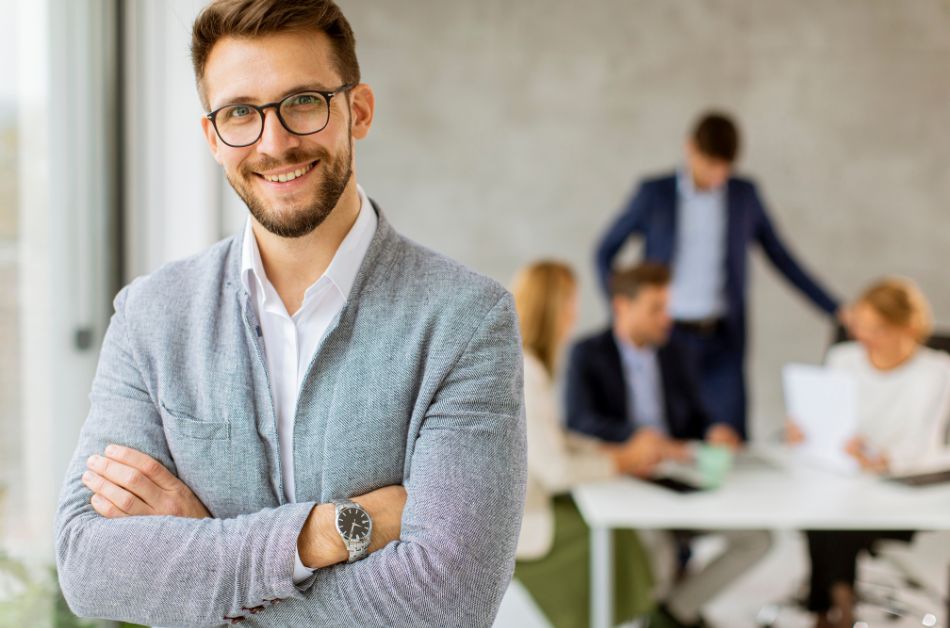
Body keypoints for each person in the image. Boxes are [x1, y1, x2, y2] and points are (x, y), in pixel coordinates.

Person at [54, 2, 526, 626]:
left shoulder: (466, 321)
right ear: (212, 137)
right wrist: (322, 534)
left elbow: (445, 602)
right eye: (240, 113)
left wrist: (203, 550)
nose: (275, 144)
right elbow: (89, 568)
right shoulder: (151, 316)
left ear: (357, 111)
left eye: (303, 101)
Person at [596, 111, 842, 441]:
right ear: (690, 149)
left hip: (723, 339)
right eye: (709, 163)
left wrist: (835, 310)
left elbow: (782, 258)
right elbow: (605, 250)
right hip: (668, 337)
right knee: (675, 436)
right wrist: (624, 310)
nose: (716, 175)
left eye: (724, 167)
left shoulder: (744, 195)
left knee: (729, 436)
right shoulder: (654, 193)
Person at [566, 263, 771, 628]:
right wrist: (637, 437)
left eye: (668, 307)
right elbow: (579, 421)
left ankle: (673, 614)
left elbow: (697, 415)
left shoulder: (677, 353)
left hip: (681, 474)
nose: (667, 318)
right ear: (622, 306)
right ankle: (667, 612)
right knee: (654, 554)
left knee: (758, 539)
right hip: (626, 478)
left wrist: (714, 431)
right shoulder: (587, 353)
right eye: (655, 308)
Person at [787, 277, 950, 628]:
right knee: (827, 512)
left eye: (874, 329)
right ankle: (835, 602)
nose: (862, 337)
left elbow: (924, 447)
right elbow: (827, 422)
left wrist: (881, 459)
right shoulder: (843, 358)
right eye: (858, 327)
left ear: (907, 328)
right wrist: (805, 431)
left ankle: (831, 608)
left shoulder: (936, 371)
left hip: (901, 488)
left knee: (834, 520)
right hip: (844, 481)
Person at [511, 260, 656, 628]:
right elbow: (556, 470)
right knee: (614, 535)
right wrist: (622, 462)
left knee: (615, 530)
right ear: (553, 309)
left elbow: (553, 439)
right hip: (525, 523)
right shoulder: (527, 372)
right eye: (570, 303)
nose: (575, 313)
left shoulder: (523, 365)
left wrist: (612, 453)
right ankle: (634, 616)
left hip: (530, 504)